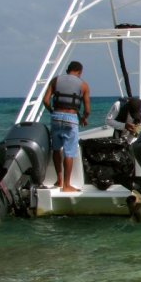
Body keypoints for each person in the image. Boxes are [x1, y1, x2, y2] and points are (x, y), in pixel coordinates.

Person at [42, 61, 91, 192]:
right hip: (71, 119)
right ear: (79, 72)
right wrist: (83, 119)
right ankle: (67, 185)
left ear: (67, 70)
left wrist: (52, 111)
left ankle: (59, 180)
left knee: (56, 149)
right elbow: (87, 110)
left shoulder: (55, 80)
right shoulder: (84, 85)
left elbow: (45, 101)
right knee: (69, 152)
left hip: (56, 117)